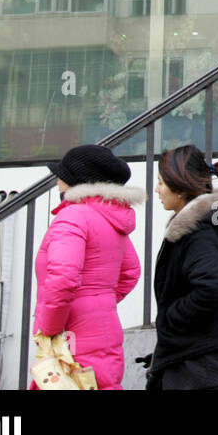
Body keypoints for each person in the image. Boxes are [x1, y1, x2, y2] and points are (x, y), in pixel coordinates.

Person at [34, 144, 145, 391]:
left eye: (61, 175)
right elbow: (131, 272)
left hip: (71, 335)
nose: (57, 181)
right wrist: (99, 301)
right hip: (104, 328)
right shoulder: (110, 217)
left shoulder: (72, 216)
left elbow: (62, 278)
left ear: (75, 181)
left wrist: (49, 328)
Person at [143, 144, 218, 390]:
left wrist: (171, 318)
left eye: (161, 183)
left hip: (199, 365)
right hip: (203, 360)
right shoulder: (208, 225)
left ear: (179, 186)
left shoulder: (200, 233)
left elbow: (213, 288)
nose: (157, 190)